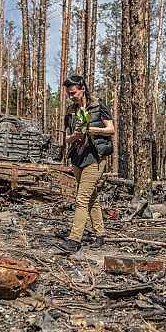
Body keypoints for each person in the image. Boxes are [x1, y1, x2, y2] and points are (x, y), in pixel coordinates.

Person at [56, 75, 115, 253]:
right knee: (91, 197)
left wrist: (93, 130)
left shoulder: (98, 105)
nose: (71, 96)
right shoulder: (70, 111)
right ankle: (100, 234)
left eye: (73, 92)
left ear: (83, 88)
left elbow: (111, 129)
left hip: (95, 157)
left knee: (81, 198)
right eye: (68, 94)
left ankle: (74, 240)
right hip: (77, 157)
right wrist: (74, 136)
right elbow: (66, 139)